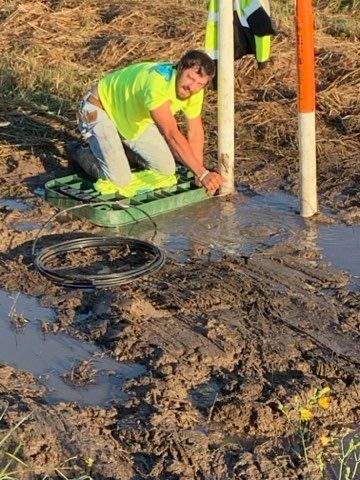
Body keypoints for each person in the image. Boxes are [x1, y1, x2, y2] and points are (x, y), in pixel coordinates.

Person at [72, 50, 224, 195]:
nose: (192, 87)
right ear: (180, 68)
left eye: (199, 84)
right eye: (190, 78)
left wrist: (198, 173)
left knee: (166, 169)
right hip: (99, 108)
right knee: (120, 180)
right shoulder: (157, 85)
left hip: (129, 119)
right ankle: (81, 151)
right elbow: (171, 134)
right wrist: (203, 173)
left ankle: (121, 151)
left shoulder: (195, 91)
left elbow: (195, 132)